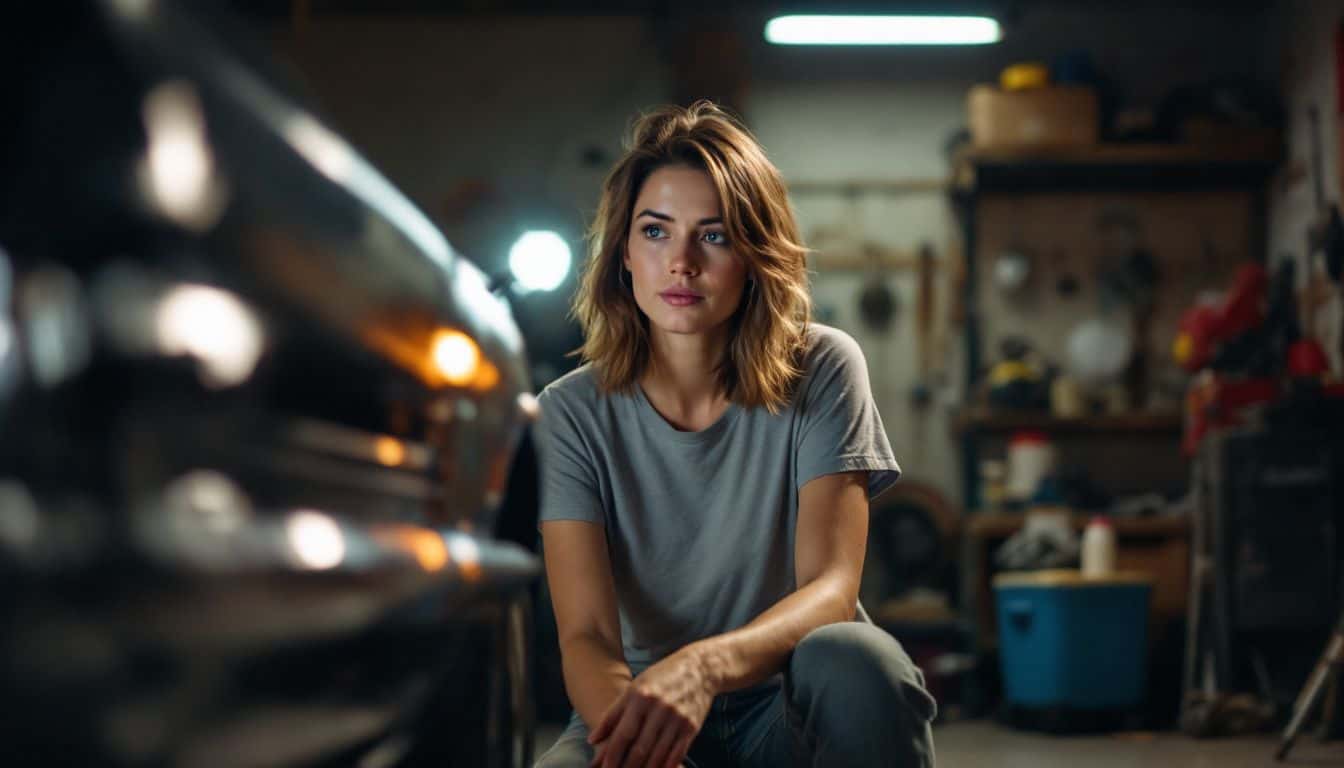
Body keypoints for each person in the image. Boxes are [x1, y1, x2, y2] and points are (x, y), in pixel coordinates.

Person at [533, 101, 936, 768]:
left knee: (859, 657)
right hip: (634, 706)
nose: (682, 262)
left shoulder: (825, 367)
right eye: (656, 232)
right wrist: (643, 742)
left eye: (713, 236)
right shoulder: (569, 412)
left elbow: (832, 590)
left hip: (783, 710)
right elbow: (588, 638)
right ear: (623, 253)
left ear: (754, 254)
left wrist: (705, 666)